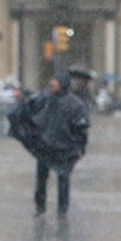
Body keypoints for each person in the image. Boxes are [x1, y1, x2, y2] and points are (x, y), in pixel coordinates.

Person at [32, 73, 90, 217]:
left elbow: (81, 128)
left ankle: (62, 209)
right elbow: (34, 116)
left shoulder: (74, 104)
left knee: (63, 179)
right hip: (45, 146)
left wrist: (80, 147)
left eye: (55, 82)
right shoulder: (45, 99)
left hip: (64, 148)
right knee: (41, 179)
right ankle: (40, 207)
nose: (52, 84)